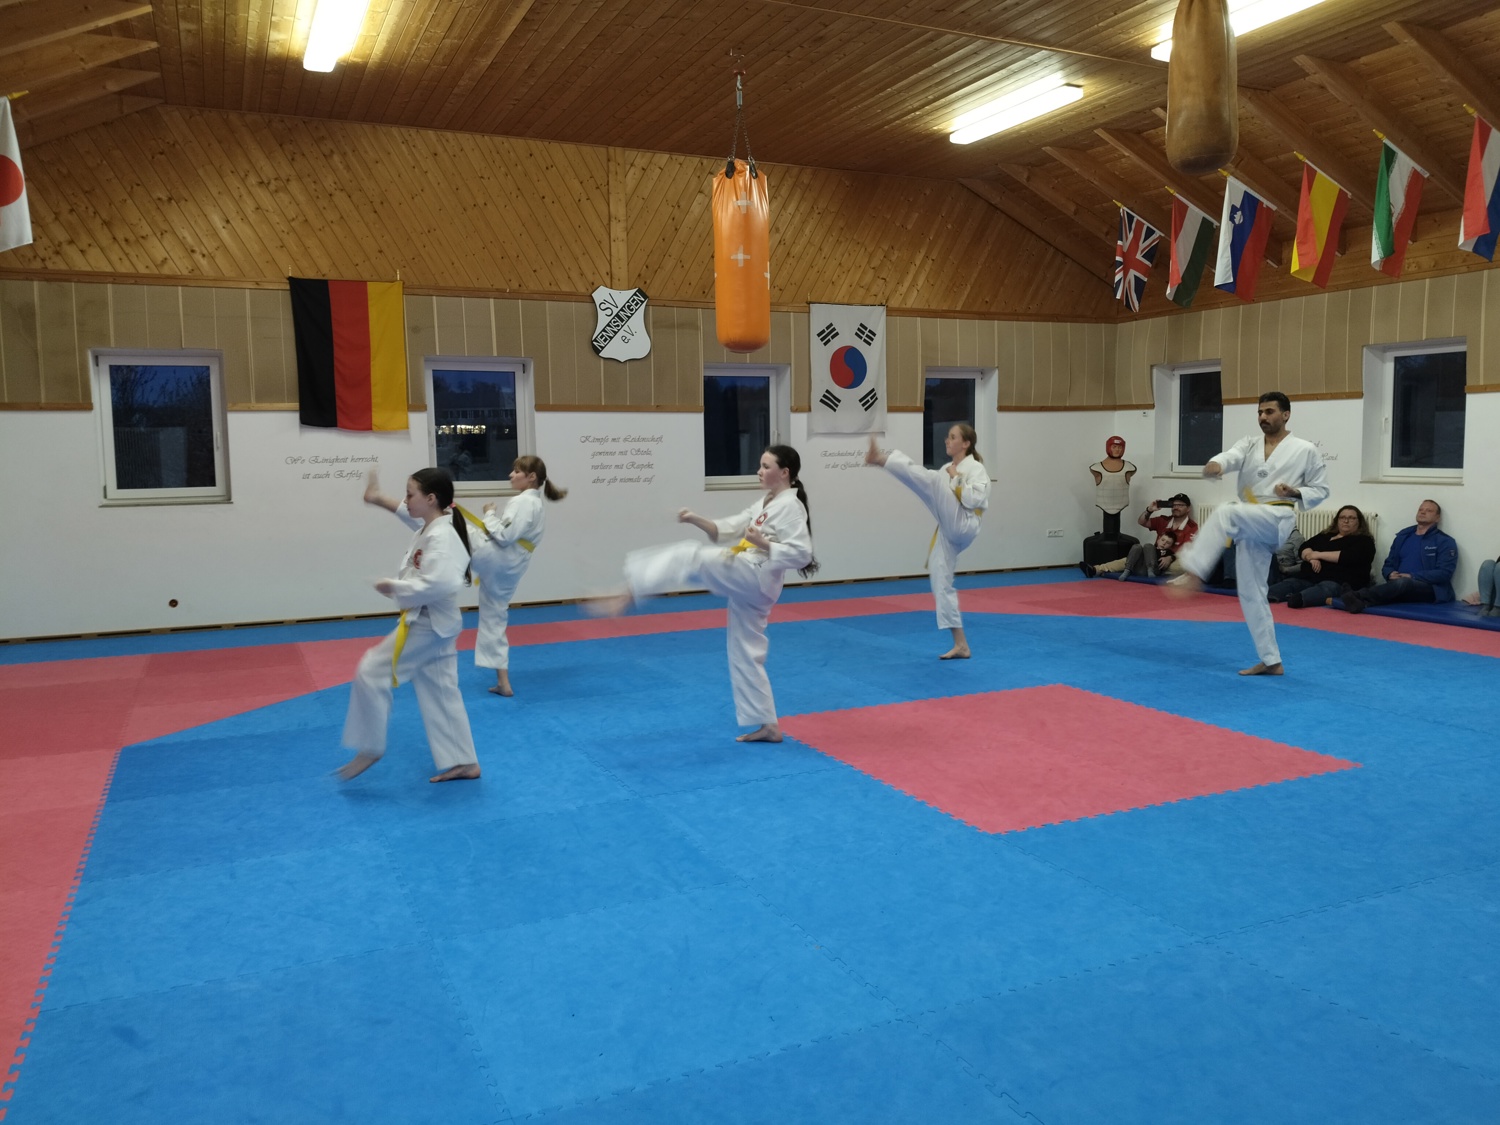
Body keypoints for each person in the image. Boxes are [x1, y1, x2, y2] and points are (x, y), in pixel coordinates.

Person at [589, 445, 817, 743]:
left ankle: (627, 594)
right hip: (753, 580)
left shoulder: (791, 506)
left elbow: (802, 554)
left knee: (687, 555)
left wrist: (764, 544)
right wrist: (695, 518)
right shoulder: (767, 502)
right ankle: (769, 725)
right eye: (760, 465)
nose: (759, 471)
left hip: (755, 574)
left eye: (766, 466)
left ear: (784, 472)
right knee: (745, 652)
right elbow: (728, 528)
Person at [1168, 391, 1329, 676]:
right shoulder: (1249, 444)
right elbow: (1230, 456)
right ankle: (1272, 660)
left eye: (1269, 411)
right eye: (1260, 412)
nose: (1263, 417)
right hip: (1251, 521)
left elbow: (1321, 489)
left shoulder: (1305, 449)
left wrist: (1295, 491)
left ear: (1286, 415)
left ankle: (1194, 573)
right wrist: (1217, 464)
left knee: (1226, 512)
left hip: (1277, 517)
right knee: (1251, 593)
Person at [337, 468, 481, 783]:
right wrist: (377, 498)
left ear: (431, 499)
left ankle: (371, 746)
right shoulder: (434, 525)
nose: (405, 499)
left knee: (371, 670)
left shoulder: (442, 535)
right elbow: (408, 514)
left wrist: (395, 587)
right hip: (438, 622)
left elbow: (442, 582)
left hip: (428, 624)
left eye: (410, 494)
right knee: (441, 690)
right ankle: (465, 761)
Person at [865, 424, 989, 658]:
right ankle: (961, 644)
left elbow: (975, 500)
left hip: (965, 523)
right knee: (940, 580)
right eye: (948, 437)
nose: (947, 440)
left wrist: (957, 478)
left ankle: (881, 459)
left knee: (931, 480)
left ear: (966, 444)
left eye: (953, 437)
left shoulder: (976, 468)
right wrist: (950, 475)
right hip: (948, 528)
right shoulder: (945, 469)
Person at [469, 455, 567, 696]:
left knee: (449, 525)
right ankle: (503, 682)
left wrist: (489, 513)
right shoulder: (535, 504)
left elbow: (504, 536)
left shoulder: (523, 502)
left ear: (531, 477)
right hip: (512, 565)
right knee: (494, 617)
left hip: (500, 558)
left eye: (516, 471)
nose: (510, 475)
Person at [1340, 500, 1457, 613]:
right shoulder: (1403, 537)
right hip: (1399, 585)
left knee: (1403, 583)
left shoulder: (1445, 541)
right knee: (1399, 585)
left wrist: (1412, 576)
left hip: (1431, 589)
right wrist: (1389, 574)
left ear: (1437, 518)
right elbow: (1388, 564)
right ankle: (1359, 603)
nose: (1423, 512)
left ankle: (1357, 595)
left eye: (1429, 510)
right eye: (1420, 509)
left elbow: (1444, 573)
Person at [1267, 505, 1375, 608]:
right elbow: (1304, 547)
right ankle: (1267, 596)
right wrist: (1311, 558)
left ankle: (1299, 599)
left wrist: (1318, 554)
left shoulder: (1364, 541)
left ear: (1359, 522)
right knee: (1289, 584)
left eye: (1351, 518)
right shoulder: (1326, 535)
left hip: (1338, 582)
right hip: (1308, 577)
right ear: (1337, 520)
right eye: (1342, 517)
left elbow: (1348, 556)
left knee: (1323, 589)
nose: (1346, 521)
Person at [1081, 493, 1196, 580]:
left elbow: (1186, 551)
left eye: (1180, 505)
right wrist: (1149, 510)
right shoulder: (1163, 520)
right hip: (1153, 556)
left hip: (1172, 560)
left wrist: (1170, 558)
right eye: (1174, 505)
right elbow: (1142, 522)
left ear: (1188, 509)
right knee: (1129, 558)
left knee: (1183, 566)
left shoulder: (1192, 527)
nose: (1176, 507)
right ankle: (1096, 569)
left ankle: (1147, 569)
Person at [1087, 435, 1136, 536]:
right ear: (1108, 447)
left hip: (1121, 503)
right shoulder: (1096, 468)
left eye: (1120, 447)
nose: (1117, 450)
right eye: (1114, 447)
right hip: (1103, 504)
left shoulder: (1129, 467)